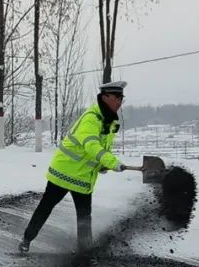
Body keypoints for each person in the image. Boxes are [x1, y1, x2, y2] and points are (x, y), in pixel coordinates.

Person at [19, 81, 127, 254]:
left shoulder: (109, 122)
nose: (120, 103)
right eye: (117, 98)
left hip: (83, 177)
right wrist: (112, 162)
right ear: (105, 97)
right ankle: (26, 239)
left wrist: (102, 165)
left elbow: (100, 150)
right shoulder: (92, 118)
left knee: (84, 216)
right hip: (64, 173)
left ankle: (84, 252)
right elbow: (91, 146)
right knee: (46, 206)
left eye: (122, 99)